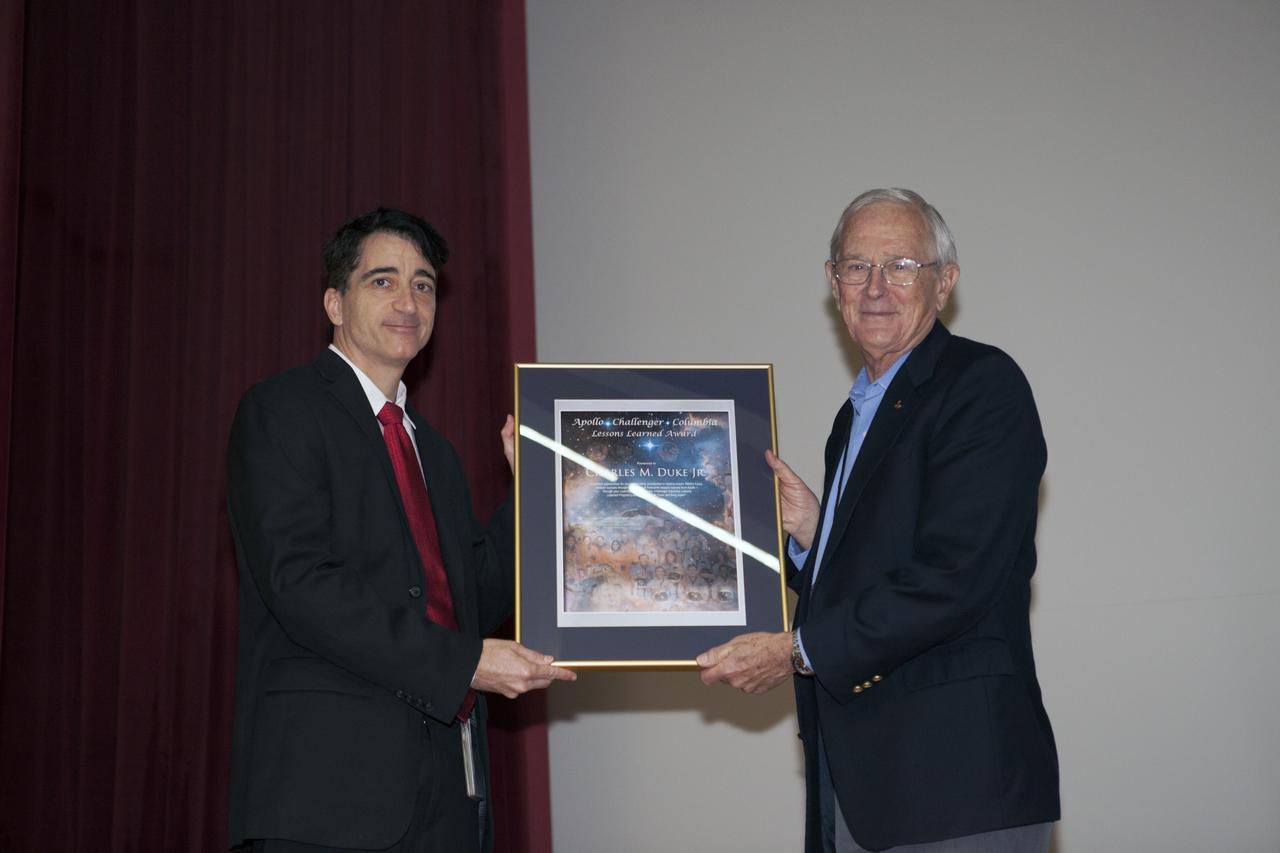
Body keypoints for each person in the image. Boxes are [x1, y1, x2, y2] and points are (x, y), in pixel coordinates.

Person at [697, 189, 1059, 852]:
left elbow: (955, 575)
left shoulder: (982, 384)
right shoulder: (854, 416)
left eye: (900, 266)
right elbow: (885, 559)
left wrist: (796, 649)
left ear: (944, 281)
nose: (875, 287)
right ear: (832, 282)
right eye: (855, 267)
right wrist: (813, 537)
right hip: (861, 780)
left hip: (955, 785)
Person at [226, 208, 575, 853]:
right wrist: (465, 662)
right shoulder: (282, 411)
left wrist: (540, 492)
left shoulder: (431, 451)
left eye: (424, 284)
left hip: (445, 791)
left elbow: (477, 595)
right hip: (328, 794)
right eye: (382, 281)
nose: (408, 300)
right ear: (335, 301)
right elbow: (300, 584)